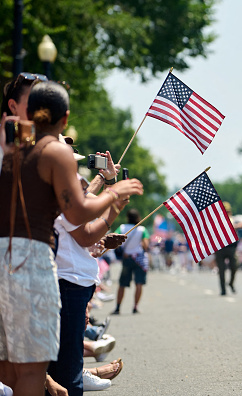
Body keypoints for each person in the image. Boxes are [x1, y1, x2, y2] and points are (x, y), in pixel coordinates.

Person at [0, 79, 143, 395]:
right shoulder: (54, 152)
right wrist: (115, 194)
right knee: (33, 370)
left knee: (10, 367)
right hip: (32, 259)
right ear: (64, 118)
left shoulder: (14, 149)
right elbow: (77, 214)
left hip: (4, 256)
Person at [47, 151, 128, 396]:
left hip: (71, 281)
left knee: (64, 362)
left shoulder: (56, 191)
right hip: (68, 282)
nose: (75, 167)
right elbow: (87, 233)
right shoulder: (61, 194)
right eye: (71, 162)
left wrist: (105, 180)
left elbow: (87, 205)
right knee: (67, 371)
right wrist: (116, 201)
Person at [113, 209, 150, 314]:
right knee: (139, 283)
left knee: (122, 284)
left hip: (127, 258)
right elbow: (145, 246)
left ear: (127, 217)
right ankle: (135, 306)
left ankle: (118, 307)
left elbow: (114, 240)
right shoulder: (142, 230)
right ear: (138, 217)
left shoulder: (122, 228)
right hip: (139, 259)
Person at [215, 202, 242, 295]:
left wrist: (234, 226)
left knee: (234, 266)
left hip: (232, 248)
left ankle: (231, 283)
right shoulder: (217, 222)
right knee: (221, 270)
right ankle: (223, 289)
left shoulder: (233, 220)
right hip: (220, 248)